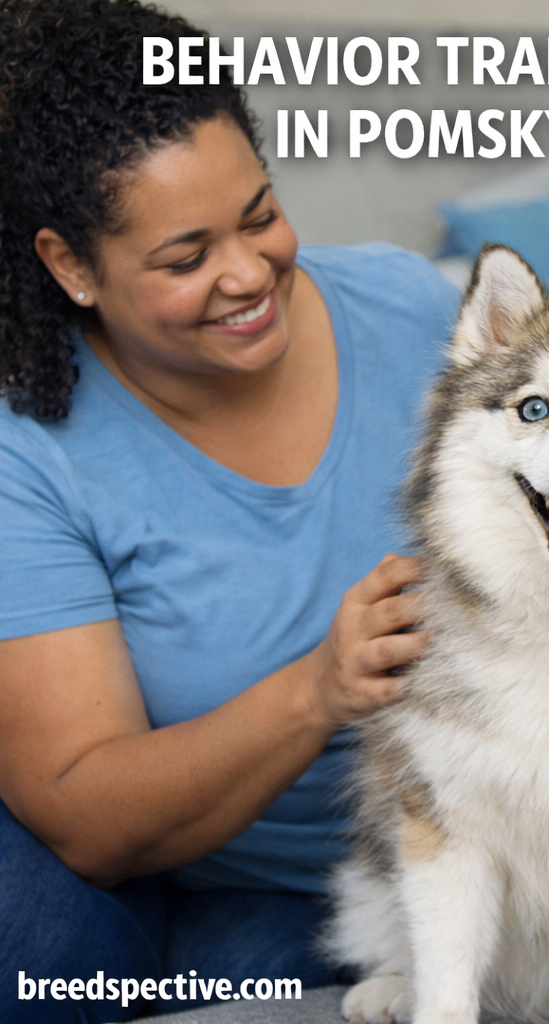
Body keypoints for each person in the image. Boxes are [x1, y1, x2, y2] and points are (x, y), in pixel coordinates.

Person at [0, 1, 458, 1020]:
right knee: (44, 963)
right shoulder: (28, 452)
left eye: (259, 215)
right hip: (177, 865)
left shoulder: (413, 310)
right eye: (185, 258)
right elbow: (85, 814)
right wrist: (318, 690)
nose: (249, 275)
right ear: (71, 267)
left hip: (400, 861)